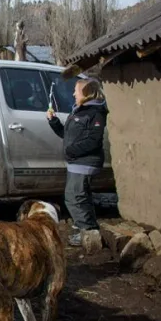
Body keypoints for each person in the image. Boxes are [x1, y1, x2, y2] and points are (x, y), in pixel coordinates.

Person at [46, 77, 109, 246]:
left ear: (87, 93)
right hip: (76, 162)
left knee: (75, 198)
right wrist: (53, 122)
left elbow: (93, 140)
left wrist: (71, 151)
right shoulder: (79, 111)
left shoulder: (95, 113)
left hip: (85, 162)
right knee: (80, 197)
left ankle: (87, 233)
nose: (73, 93)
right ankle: (89, 230)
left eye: (76, 90)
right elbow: (67, 135)